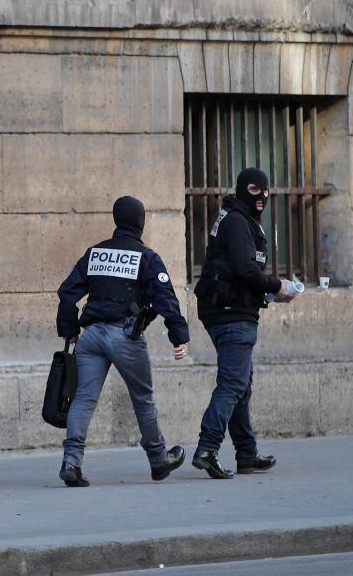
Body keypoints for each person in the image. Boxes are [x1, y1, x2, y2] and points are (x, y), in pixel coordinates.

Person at [56, 196, 189, 487]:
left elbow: (67, 292)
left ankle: (71, 462)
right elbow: (165, 298)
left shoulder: (95, 253)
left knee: (83, 398)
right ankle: (158, 459)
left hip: (90, 337)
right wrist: (178, 335)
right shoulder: (146, 256)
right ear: (140, 222)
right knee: (143, 399)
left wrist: (70, 329)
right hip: (125, 336)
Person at [191, 167, 293, 479]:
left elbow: (241, 271)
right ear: (240, 190)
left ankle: (246, 454)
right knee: (234, 383)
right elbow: (244, 268)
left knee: (241, 385)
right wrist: (277, 286)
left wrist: (269, 292)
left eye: (265, 190)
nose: (262, 196)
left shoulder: (239, 218)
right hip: (231, 312)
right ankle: (207, 448)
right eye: (254, 190)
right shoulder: (237, 221)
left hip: (231, 308)